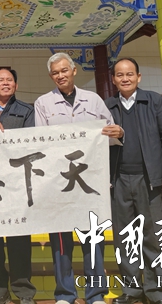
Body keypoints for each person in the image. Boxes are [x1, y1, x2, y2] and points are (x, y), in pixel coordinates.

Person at [34, 52, 122, 304]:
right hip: (59, 183)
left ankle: (95, 294)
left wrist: (117, 132)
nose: (60, 75)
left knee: (93, 239)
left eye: (64, 70)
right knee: (61, 242)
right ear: (50, 76)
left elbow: (110, 135)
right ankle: (65, 294)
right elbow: (41, 143)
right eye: (55, 73)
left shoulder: (93, 100)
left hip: (90, 182)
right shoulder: (43, 103)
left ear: (74, 71)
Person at [104, 57, 162, 304]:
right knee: (125, 237)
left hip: (150, 180)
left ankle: (156, 292)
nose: (125, 78)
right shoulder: (107, 106)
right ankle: (132, 290)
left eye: (129, 74)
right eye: (120, 75)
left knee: (153, 236)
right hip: (118, 180)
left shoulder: (154, 101)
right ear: (113, 79)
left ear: (138, 77)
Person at [0, 68, 36, 304]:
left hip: (16, 183)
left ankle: (24, 292)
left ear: (16, 85)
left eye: (9, 80)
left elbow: (32, 141)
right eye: (0, 80)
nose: (5, 83)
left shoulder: (27, 110)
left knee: (19, 241)